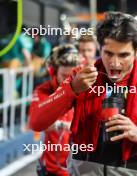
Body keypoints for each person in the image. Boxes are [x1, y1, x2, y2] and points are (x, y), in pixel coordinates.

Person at [29, 11, 137, 176]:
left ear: (136, 52)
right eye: (108, 53)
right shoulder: (80, 79)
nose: (115, 63)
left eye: (123, 55)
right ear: (99, 48)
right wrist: (70, 89)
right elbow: (36, 123)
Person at [29, 44, 82, 176]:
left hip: (77, 169)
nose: (68, 80)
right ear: (53, 72)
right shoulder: (43, 90)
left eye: (71, 76)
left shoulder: (83, 87)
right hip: (51, 169)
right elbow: (36, 123)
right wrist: (63, 125)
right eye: (64, 76)